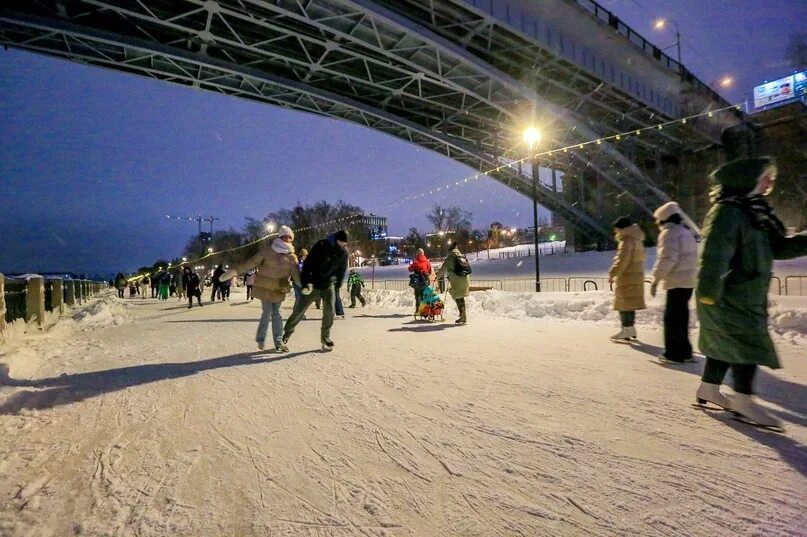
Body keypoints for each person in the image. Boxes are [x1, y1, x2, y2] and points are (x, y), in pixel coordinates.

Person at [695, 157, 807, 428]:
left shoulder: (756, 211)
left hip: (746, 293)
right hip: (728, 294)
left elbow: (778, 247)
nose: (770, 181)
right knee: (746, 345)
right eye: (765, 176)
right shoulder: (728, 211)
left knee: (725, 343)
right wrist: (710, 291)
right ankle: (744, 403)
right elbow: (714, 254)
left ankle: (708, 388)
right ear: (748, 180)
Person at [219, 225, 301, 352]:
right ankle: (261, 339)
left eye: (289, 237)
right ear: (279, 237)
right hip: (264, 287)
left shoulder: (292, 257)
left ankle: (279, 342)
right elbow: (250, 263)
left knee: (277, 314)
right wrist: (234, 271)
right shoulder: (268, 251)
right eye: (285, 236)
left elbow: (296, 275)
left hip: (278, 289)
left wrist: (304, 286)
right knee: (267, 312)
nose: (287, 239)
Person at [282, 230, 349, 351]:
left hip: (328, 285)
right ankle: (286, 334)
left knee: (330, 310)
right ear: (336, 239)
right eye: (342, 243)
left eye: (345, 244)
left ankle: (325, 338)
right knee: (299, 311)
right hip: (313, 284)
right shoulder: (322, 245)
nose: (344, 245)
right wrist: (306, 282)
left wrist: (338, 285)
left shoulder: (343, 253)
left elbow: (342, 269)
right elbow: (308, 263)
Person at [650, 202, 699, 363]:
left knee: (671, 319)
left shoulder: (669, 233)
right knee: (682, 317)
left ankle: (673, 354)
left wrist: (656, 279)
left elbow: (668, 258)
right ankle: (686, 352)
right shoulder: (686, 232)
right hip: (689, 282)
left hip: (676, 281)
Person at [608, 216, 646, 340]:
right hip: (635, 275)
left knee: (623, 304)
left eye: (617, 229)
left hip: (626, 276)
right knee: (630, 304)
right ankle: (631, 329)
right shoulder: (637, 239)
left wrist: (612, 273)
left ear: (621, 228)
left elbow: (622, 260)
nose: (616, 232)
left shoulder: (626, 240)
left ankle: (626, 329)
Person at [435, 243, 471, 323]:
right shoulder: (462, 257)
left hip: (457, 281)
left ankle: (462, 316)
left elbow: (442, 270)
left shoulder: (449, 259)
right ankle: (462, 315)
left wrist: (437, 276)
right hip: (466, 279)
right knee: (461, 297)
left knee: (458, 297)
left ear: (450, 251)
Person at [408, 248, 433, 313]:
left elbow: (410, 269)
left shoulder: (416, 262)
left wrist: (412, 264)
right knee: (425, 295)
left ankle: (418, 310)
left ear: (417, 254)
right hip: (426, 280)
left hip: (418, 281)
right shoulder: (427, 261)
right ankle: (425, 309)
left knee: (418, 295)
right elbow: (430, 271)